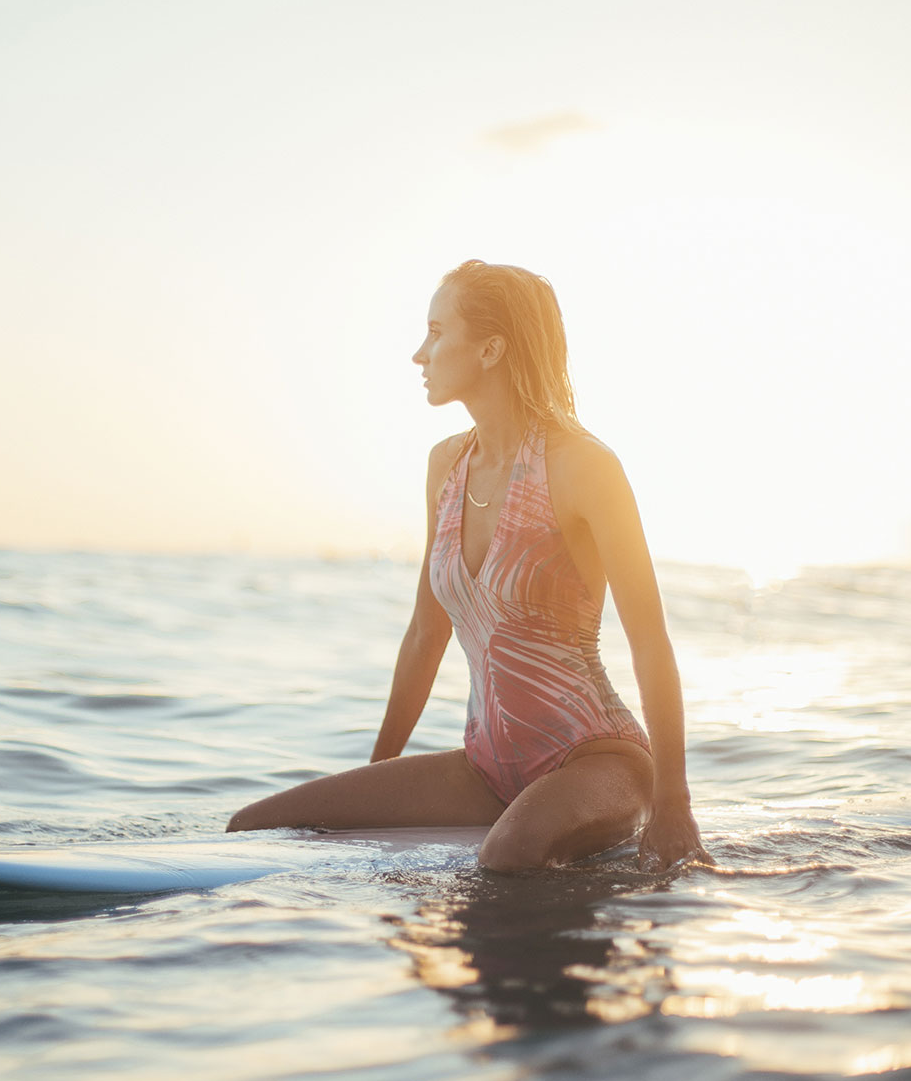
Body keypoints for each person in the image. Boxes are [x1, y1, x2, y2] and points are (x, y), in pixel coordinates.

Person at [227, 260, 707, 873]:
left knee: (508, 857)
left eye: (435, 331)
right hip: (485, 768)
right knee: (256, 826)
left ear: (491, 348)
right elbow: (427, 634)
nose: (418, 354)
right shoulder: (446, 466)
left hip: (596, 760)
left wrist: (673, 802)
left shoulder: (583, 466)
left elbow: (650, 641)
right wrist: (378, 781)